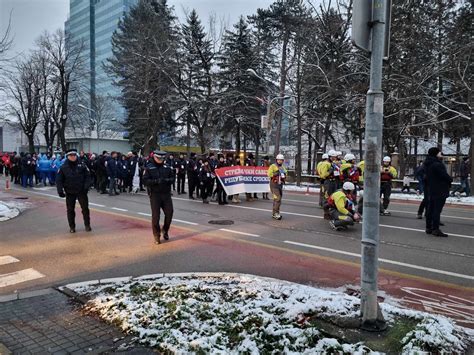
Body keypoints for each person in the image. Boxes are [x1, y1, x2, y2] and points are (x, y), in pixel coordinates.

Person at [142, 150, 175, 244]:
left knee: (170, 213)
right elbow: (144, 181)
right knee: (156, 216)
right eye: (158, 158)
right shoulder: (149, 167)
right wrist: (156, 181)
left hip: (166, 194)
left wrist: (167, 180)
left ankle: (165, 229)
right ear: (154, 157)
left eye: (162, 158)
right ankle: (156, 235)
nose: (160, 160)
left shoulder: (167, 167)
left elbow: (173, 178)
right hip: (155, 194)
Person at [56, 149, 92, 233]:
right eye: (71, 155)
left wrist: (86, 187)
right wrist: (60, 190)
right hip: (70, 191)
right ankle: (72, 227)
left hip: (81, 191)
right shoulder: (63, 167)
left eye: (74, 155)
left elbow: (88, 176)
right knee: (70, 210)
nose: (73, 157)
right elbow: (59, 180)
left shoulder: (82, 165)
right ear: (67, 156)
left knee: (85, 209)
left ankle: (87, 225)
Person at [424, 147, 452, 237]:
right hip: (440, 189)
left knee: (431, 208)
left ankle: (429, 227)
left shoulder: (428, 163)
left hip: (431, 188)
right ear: (436, 154)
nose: (441, 154)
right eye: (439, 152)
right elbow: (444, 176)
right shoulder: (437, 164)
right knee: (437, 210)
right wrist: (450, 179)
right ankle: (435, 229)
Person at [267, 154, 287, 220]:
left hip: (280, 184)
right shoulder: (273, 166)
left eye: (281, 160)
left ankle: (275, 213)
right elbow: (269, 174)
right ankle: (275, 213)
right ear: (276, 160)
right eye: (279, 160)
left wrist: (284, 176)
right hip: (274, 184)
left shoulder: (283, 167)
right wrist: (275, 173)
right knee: (277, 198)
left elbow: (285, 174)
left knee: (278, 199)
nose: (280, 161)